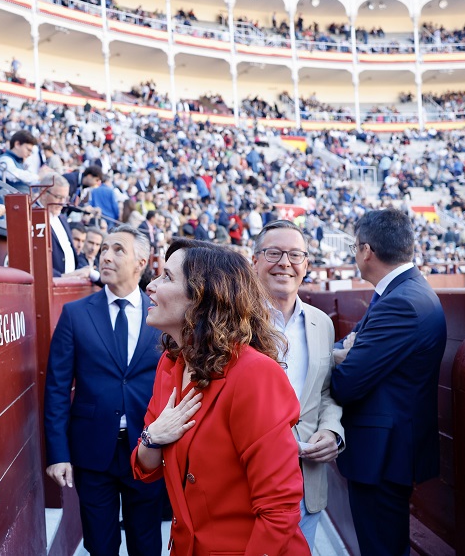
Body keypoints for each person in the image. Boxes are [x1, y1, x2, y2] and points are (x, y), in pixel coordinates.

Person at [132, 239, 309, 556]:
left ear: (202, 297)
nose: (150, 286)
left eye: (167, 277)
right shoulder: (171, 364)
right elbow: (145, 468)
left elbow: (279, 508)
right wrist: (152, 437)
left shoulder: (255, 374)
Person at [44, 225, 165, 556]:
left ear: (142, 261)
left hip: (148, 450)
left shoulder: (161, 315)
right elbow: (56, 387)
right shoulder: (75, 314)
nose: (106, 256)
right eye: (104, 249)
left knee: (147, 544)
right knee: (100, 545)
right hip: (92, 453)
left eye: (118, 250)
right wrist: (58, 453)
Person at [332, 208, 447, 556]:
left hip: (381, 453)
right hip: (387, 447)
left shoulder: (400, 301)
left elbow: (346, 383)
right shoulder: (401, 292)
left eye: (355, 247)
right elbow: (346, 345)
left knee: (381, 547)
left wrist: (344, 356)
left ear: (366, 251)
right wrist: (345, 352)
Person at [252, 220, 344, 550]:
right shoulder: (232, 324)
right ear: (255, 261)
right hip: (249, 484)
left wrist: (332, 432)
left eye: (295, 254)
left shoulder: (321, 323)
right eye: (273, 253)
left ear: (306, 265)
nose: (284, 263)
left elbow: (325, 392)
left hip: (308, 483)